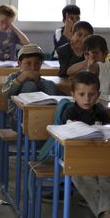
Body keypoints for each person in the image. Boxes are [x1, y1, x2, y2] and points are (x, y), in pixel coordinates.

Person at [60, 71, 110, 218]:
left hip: (99, 156)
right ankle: (105, 213)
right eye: (82, 94)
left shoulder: (101, 113)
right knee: (83, 179)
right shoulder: (70, 113)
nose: (87, 99)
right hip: (76, 158)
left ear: (98, 94)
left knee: (106, 177)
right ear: (73, 94)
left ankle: (105, 212)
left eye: (92, 94)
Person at [2, 44, 61, 128]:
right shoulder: (13, 77)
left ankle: (52, 121)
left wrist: (38, 82)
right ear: (19, 63)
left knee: (50, 85)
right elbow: (5, 93)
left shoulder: (45, 83)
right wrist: (22, 78)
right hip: (18, 120)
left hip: (44, 121)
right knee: (29, 86)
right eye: (28, 63)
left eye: (37, 63)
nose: (33, 68)